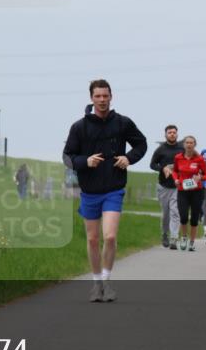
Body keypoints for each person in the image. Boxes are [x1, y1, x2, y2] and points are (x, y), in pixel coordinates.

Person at [63, 79, 148, 303]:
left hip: (114, 188)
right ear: (91, 98)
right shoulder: (79, 127)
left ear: (111, 97)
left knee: (109, 237)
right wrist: (85, 161)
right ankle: (96, 283)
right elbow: (67, 157)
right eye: (97, 96)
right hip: (90, 191)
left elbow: (141, 144)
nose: (102, 100)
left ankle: (108, 281)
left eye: (105, 96)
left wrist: (128, 158)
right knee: (92, 240)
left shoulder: (122, 123)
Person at [171, 135, 206, 252]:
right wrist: (176, 179)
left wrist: (200, 177)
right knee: (183, 217)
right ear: (184, 145)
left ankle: (192, 242)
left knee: (194, 218)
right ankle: (184, 238)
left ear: (194, 145)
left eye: (191, 143)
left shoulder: (199, 159)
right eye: (187, 142)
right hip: (183, 191)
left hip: (196, 192)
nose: (189, 145)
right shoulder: (178, 157)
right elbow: (175, 171)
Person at [150, 124, 183, 250]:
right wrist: (162, 168)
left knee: (175, 212)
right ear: (165, 135)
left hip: (177, 186)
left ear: (177, 134)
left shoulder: (182, 149)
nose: (172, 134)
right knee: (166, 214)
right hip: (163, 186)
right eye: (170, 132)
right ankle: (164, 234)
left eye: (174, 132)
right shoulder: (161, 149)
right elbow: (152, 164)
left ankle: (174, 238)